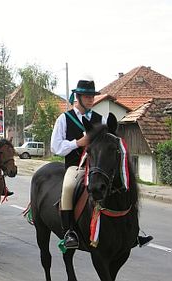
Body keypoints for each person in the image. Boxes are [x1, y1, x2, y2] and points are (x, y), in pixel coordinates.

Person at [51, 79, 153, 249]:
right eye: (87, 96)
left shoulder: (101, 119)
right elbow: (55, 146)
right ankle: (70, 232)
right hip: (76, 166)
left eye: (92, 96)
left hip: (99, 166)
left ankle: (133, 231)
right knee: (68, 187)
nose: (91, 99)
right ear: (78, 97)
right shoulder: (64, 119)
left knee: (124, 184)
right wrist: (78, 143)